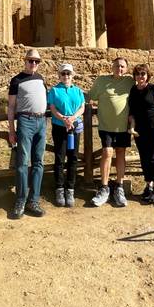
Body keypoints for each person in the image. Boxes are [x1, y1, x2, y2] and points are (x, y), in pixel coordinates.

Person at [88, 57, 134, 207]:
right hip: (106, 126)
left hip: (123, 127)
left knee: (121, 153)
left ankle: (119, 187)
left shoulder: (130, 82)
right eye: (116, 66)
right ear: (112, 67)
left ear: (126, 69)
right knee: (107, 153)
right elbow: (90, 96)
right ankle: (104, 187)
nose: (119, 69)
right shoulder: (102, 81)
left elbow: (144, 86)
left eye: (122, 66)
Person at [7, 49, 47, 219]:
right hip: (25, 121)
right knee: (23, 162)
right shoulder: (16, 80)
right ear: (25, 61)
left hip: (41, 122)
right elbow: (10, 107)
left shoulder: (40, 79)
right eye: (31, 61)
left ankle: (34, 200)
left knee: (38, 162)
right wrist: (11, 130)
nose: (33, 64)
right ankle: (21, 200)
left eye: (36, 61)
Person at [47, 63, 85, 208]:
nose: (66, 76)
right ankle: (59, 188)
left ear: (72, 75)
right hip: (59, 126)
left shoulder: (78, 91)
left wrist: (72, 118)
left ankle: (70, 189)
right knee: (59, 157)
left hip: (74, 127)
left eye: (68, 73)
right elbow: (52, 108)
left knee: (73, 157)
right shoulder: (54, 90)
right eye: (63, 74)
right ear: (59, 75)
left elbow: (82, 107)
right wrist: (64, 119)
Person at [128, 63, 154, 203]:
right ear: (135, 76)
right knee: (145, 159)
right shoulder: (133, 90)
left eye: (143, 74)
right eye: (138, 74)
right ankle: (148, 185)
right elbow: (132, 112)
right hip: (140, 131)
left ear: (147, 75)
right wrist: (132, 127)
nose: (140, 76)